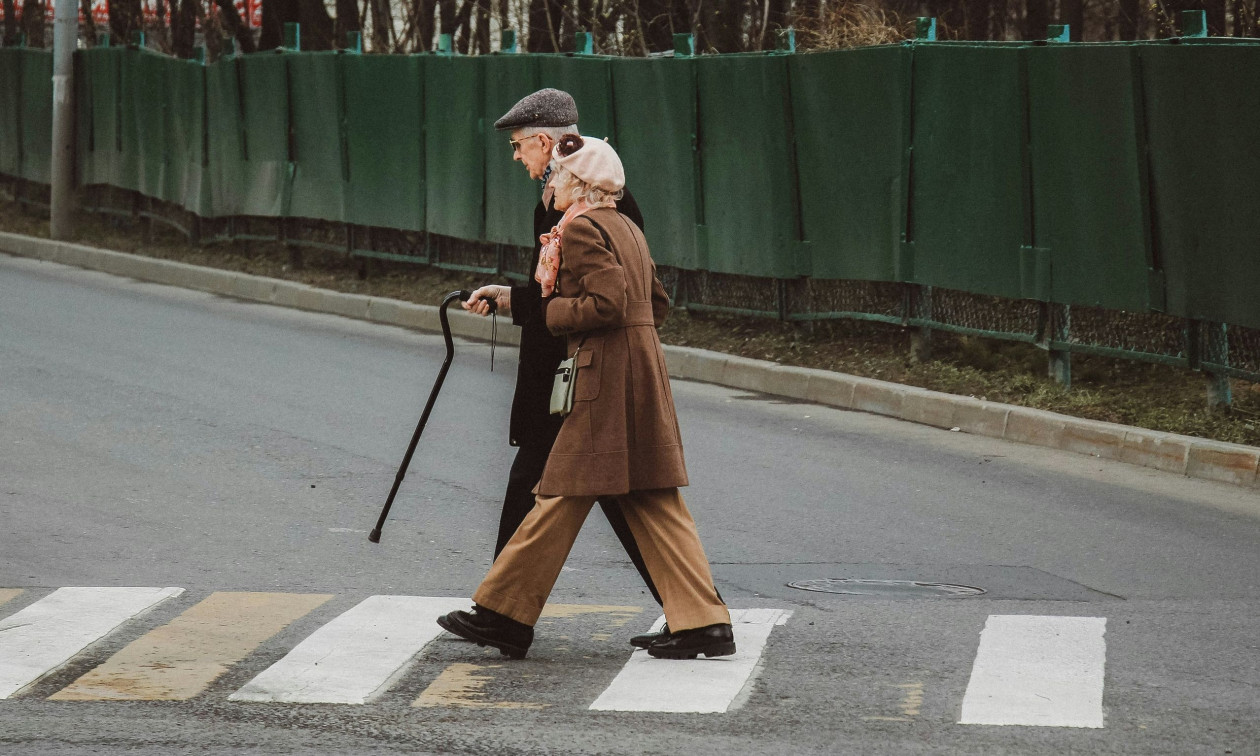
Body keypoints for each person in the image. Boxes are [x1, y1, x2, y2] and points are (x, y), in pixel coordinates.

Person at [439, 134, 735, 661]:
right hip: (641, 370)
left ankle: (505, 614)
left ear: (578, 182)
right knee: (653, 497)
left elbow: (607, 302)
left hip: (603, 378)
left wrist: (555, 315)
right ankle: (705, 623)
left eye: (557, 175)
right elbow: (656, 303)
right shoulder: (625, 227)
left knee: (559, 493)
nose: (550, 183)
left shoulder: (580, 229)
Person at [461, 89, 668, 649]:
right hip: (575, 373)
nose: (517, 157)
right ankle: (502, 614)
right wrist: (513, 298)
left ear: (544, 142)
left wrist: (525, 304)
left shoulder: (580, 207)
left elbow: (598, 299)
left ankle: (503, 615)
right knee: (602, 496)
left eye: (519, 145)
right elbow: (558, 291)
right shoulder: (580, 200)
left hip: (579, 376)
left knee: (572, 491)